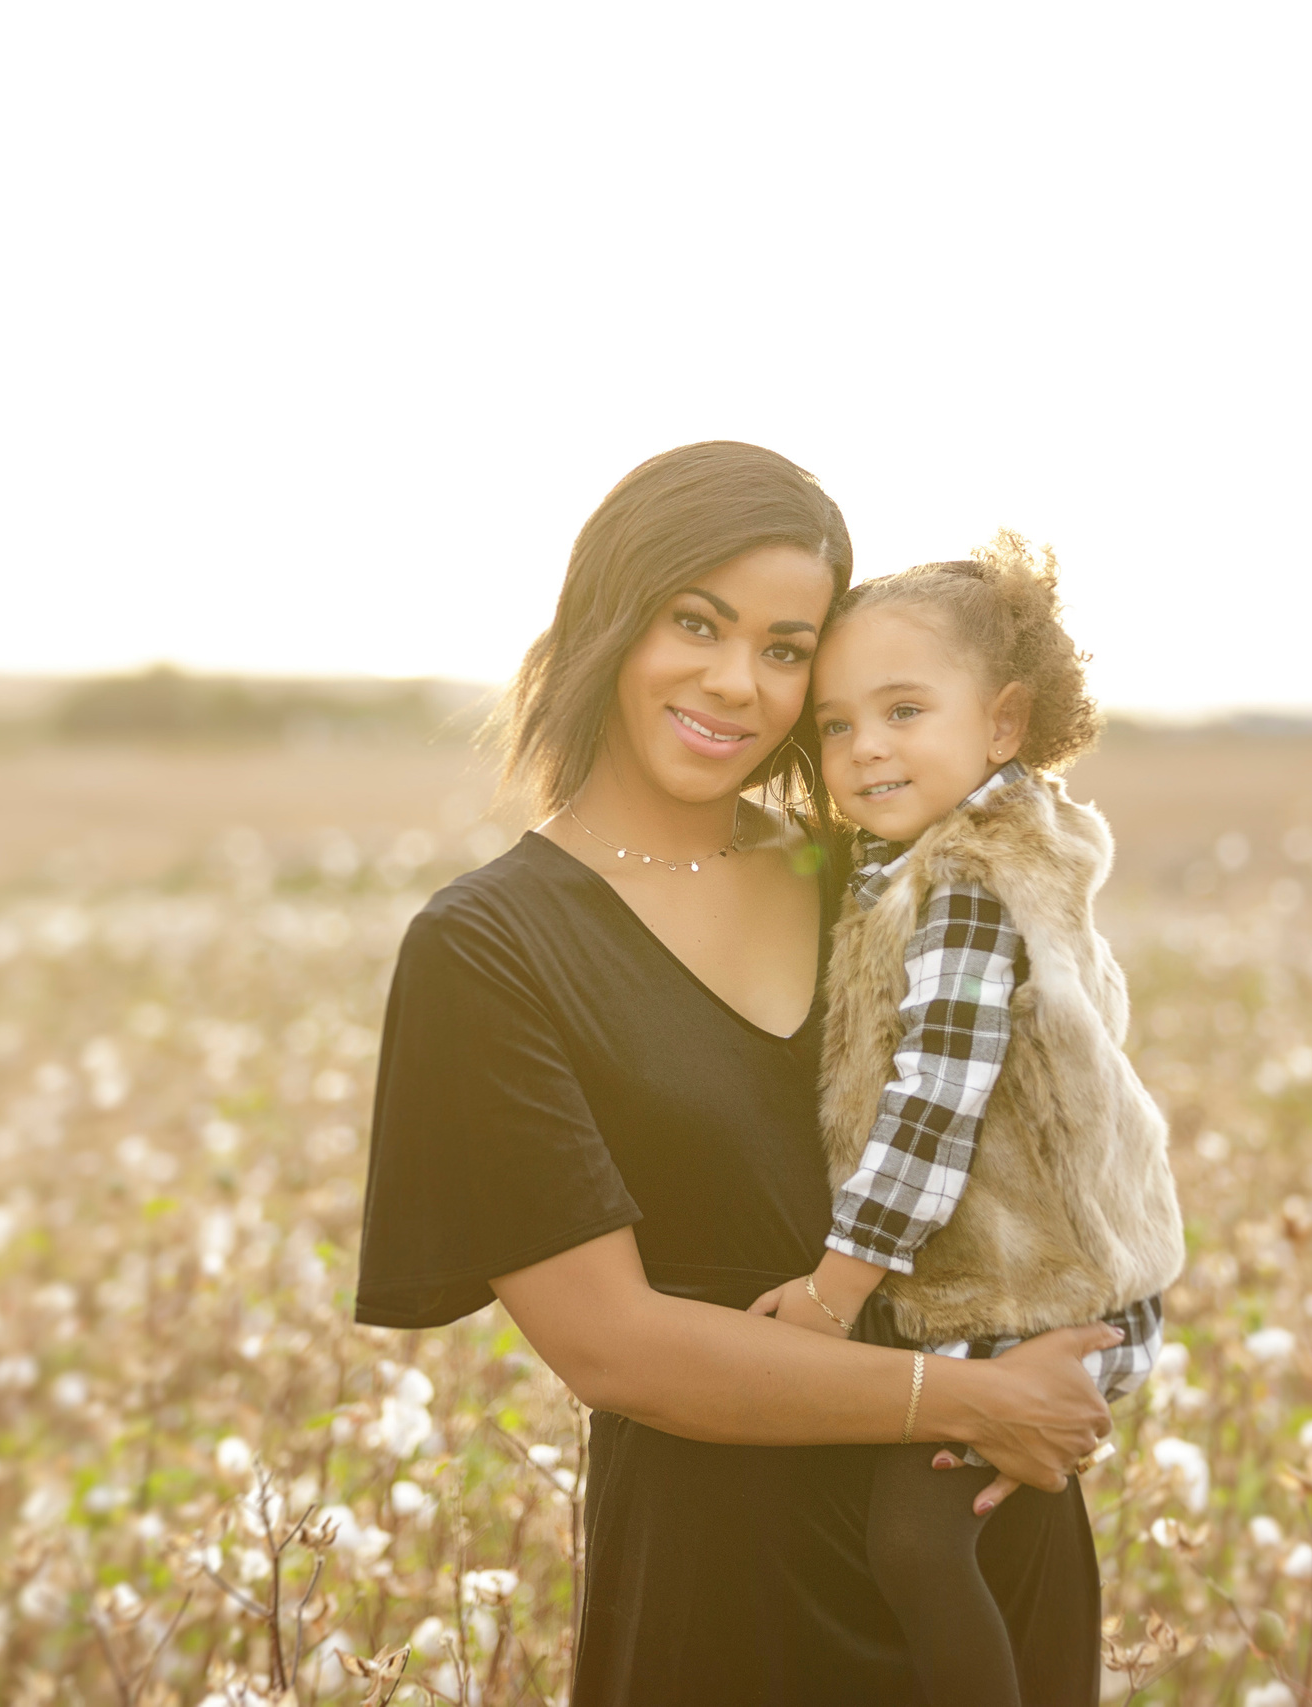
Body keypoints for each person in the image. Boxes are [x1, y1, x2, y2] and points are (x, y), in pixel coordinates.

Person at [351, 444, 1121, 1706]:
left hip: (979, 1540)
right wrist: (970, 1399)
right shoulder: (487, 948)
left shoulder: (869, 875)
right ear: (608, 618)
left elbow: (1043, 1125)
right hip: (731, 1586)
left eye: (784, 648)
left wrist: (1049, 1371)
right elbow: (613, 1348)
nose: (735, 684)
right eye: (695, 624)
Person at [747, 533, 1186, 1707]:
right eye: (836, 725)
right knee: (928, 1544)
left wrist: (833, 1294)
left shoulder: (965, 885)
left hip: (1025, 1301)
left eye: (903, 710)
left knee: (913, 1546)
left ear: (1002, 724)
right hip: (1053, 1285)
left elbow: (933, 1105)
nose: (865, 747)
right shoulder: (961, 859)